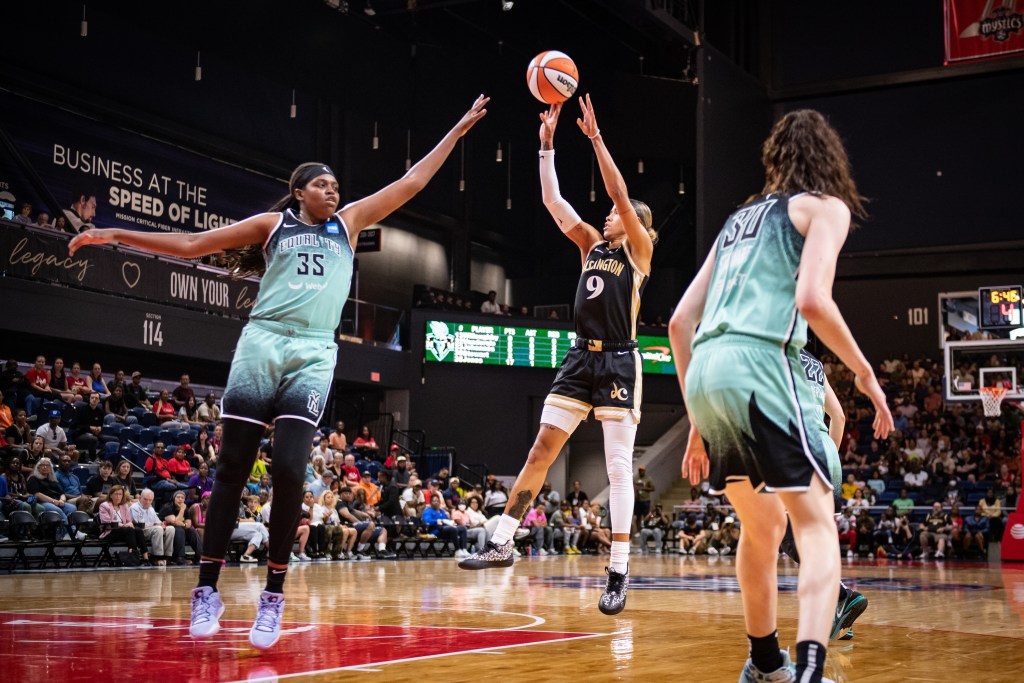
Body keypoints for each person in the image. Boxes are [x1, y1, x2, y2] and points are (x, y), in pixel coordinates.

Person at [70, 97, 488, 647]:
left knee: (291, 468)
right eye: (322, 185)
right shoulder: (272, 225)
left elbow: (410, 183)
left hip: (315, 351)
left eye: (337, 185)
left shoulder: (351, 222)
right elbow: (195, 244)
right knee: (233, 469)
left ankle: (273, 595)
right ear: (299, 192)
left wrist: (455, 130)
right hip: (263, 342)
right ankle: (206, 590)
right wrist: (116, 235)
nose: (333, 191)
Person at [667, 109, 893, 683]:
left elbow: (678, 323)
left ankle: (765, 663)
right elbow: (813, 300)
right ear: (830, 158)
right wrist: (866, 373)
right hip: (761, 361)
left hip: (707, 372)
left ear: (775, 158)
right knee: (816, 526)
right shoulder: (826, 207)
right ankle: (811, 671)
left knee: (761, 530)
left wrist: (697, 419)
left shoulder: (737, 221)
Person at [459, 97, 656, 619]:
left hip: (618, 361)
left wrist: (593, 138)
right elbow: (554, 204)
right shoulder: (592, 245)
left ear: (635, 222)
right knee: (539, 450)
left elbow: (618, 190)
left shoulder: (638, 250)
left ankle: (618, 568)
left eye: (618, 212)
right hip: (579, 359)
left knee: (617, 469)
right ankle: (502, 540)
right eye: (612, 212)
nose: (609, 212)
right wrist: (546, 146)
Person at [98, 485, 148, 560]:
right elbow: (106, 521)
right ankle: (133, 558)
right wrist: (124, 525)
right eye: (116, 494)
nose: (118, 496)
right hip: (110, 532)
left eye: (120, 494)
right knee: (129, 530)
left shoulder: (124, 506)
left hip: (124, 532)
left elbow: (128, 521)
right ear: (111, 495)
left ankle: (145, 558)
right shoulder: (104, 506)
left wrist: (129, 524)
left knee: (138, 531)